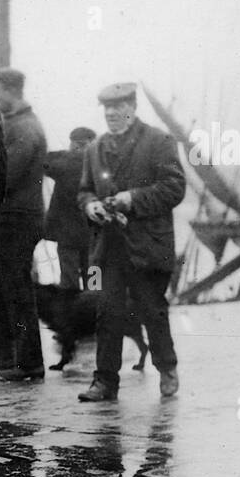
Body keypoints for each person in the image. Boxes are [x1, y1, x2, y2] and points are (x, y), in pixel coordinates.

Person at [77, 82, 185, 402]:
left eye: (118, 107)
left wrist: (132, 199)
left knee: (152, 309)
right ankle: (105, 382)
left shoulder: (159, 141)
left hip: (148, 246)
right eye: (106, 108)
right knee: (106, 311)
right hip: (108, 247)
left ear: (133, 108)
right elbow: (84, 189)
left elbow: (174, 188)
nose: (111, 113)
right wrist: (89, 205)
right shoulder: (94, 149)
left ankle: (167, 368)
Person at [0, 69, 48, 382]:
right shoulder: (11, 124)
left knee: (15, 289)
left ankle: (28, 362)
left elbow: (6, 175)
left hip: (17, 218)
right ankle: (5, 356)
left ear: (11, 91)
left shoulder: (26, 128)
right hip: (1, 217)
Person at [43, 126, 98, 292]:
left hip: (66, 234)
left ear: (73, 144)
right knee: (95, 281)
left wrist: (67, 153)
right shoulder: (100, 165)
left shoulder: (64, 163)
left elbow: (44, 161)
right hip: (94, 235)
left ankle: (71, 315)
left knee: (69, 281)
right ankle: (96, 313)